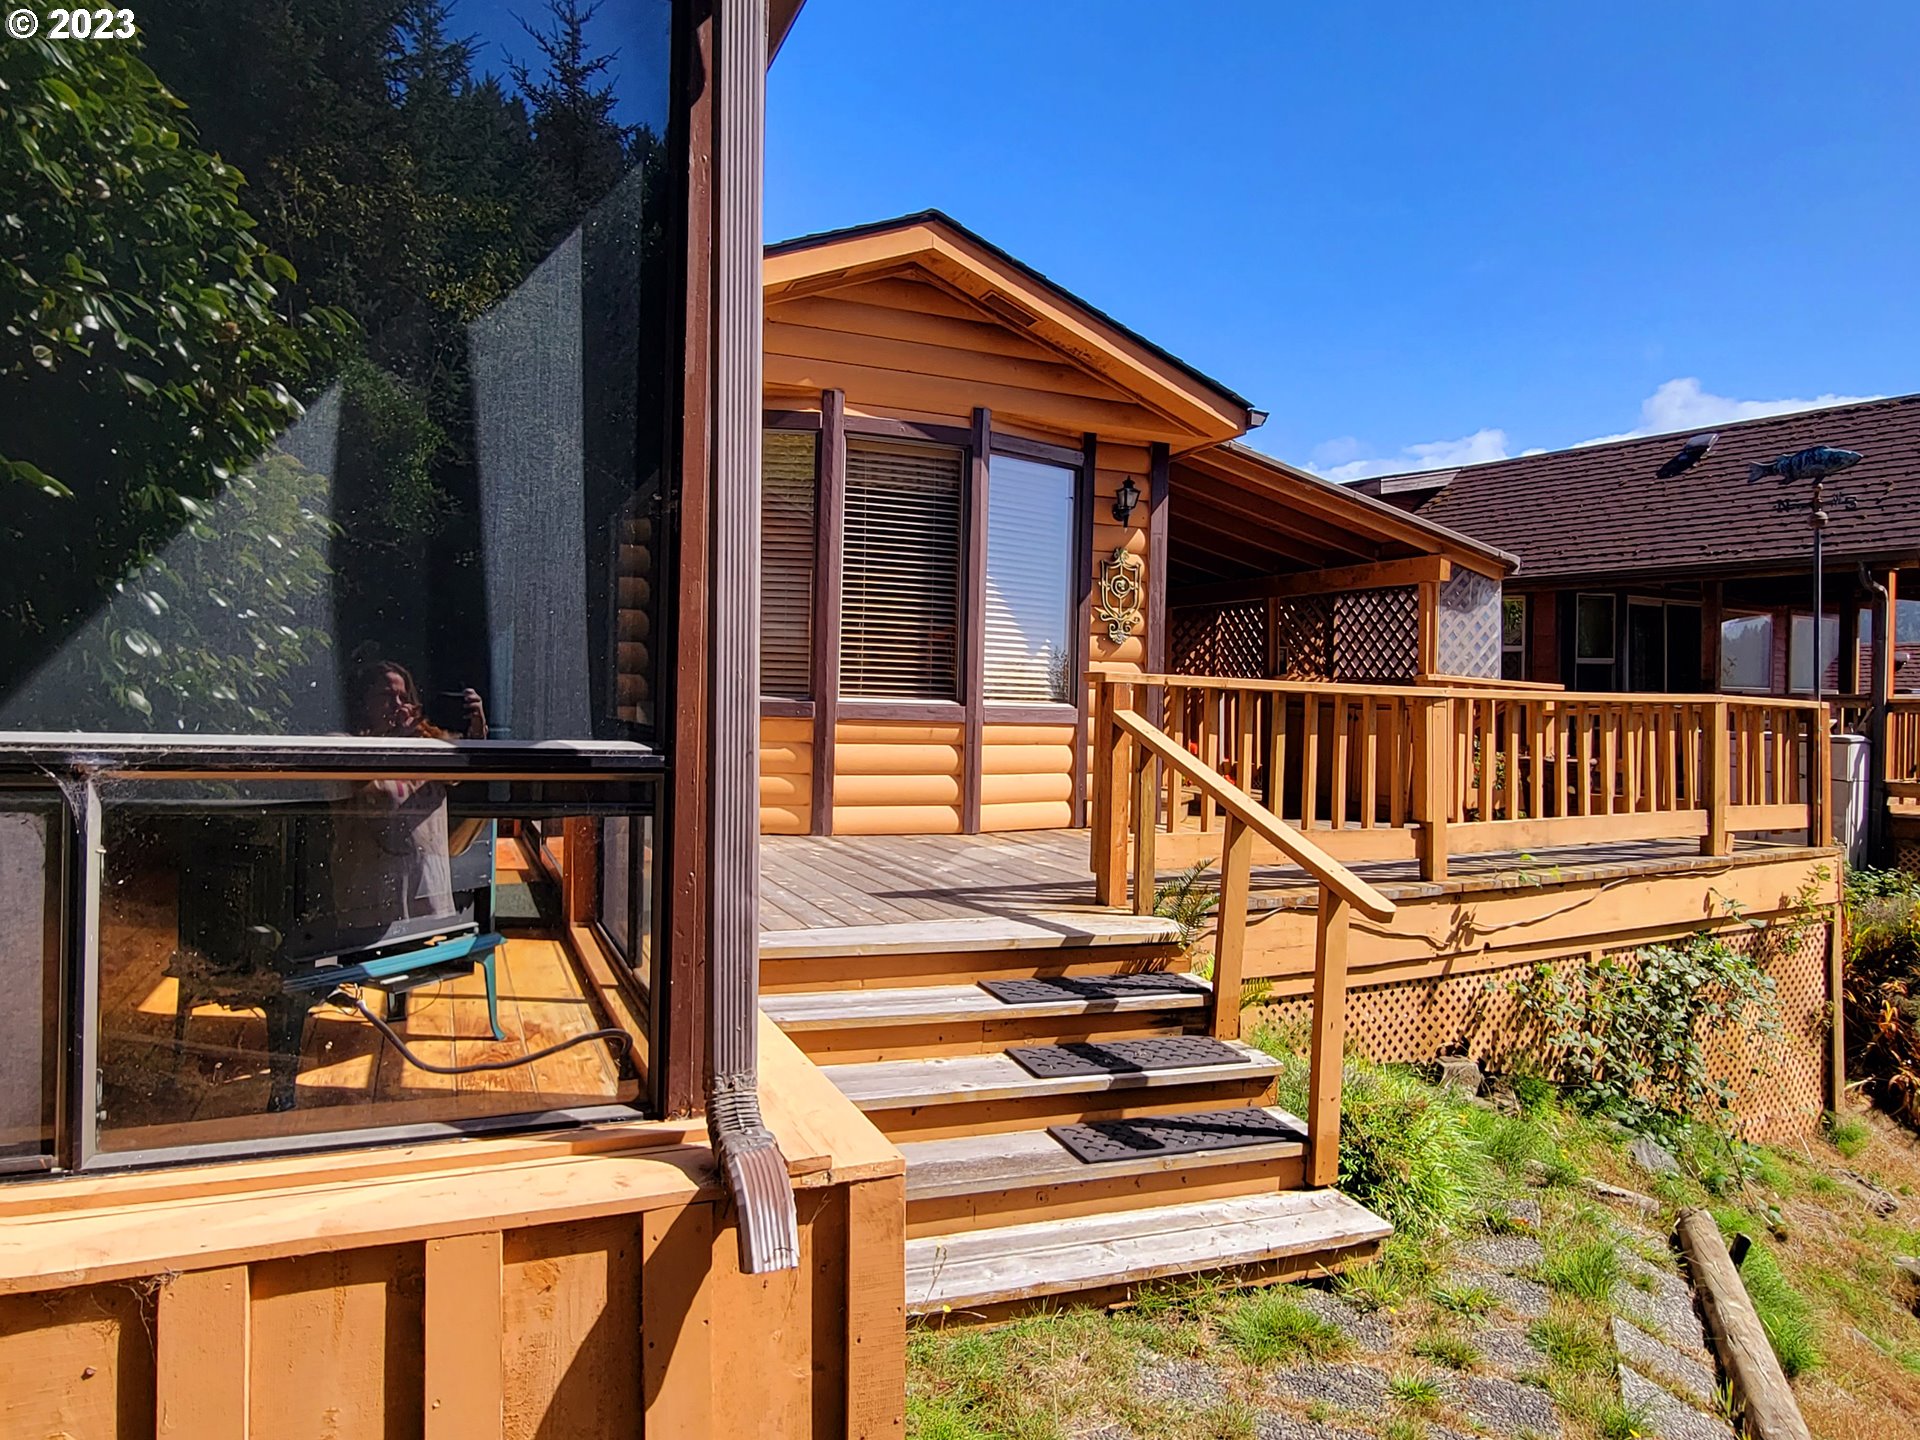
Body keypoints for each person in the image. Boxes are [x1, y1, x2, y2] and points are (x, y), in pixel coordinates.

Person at [328, 662, 489, 936]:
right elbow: (352, 783)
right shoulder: (343, 742)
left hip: (428, 900)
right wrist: (394, 739)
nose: (397, 705)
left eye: (404, 697)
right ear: (363, 703)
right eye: (387, 697)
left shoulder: (429, 745)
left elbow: (465, 771)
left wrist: (477, 730)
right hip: (371, 906)